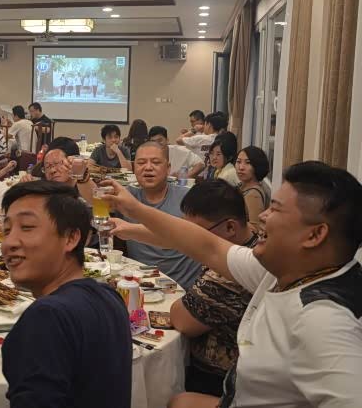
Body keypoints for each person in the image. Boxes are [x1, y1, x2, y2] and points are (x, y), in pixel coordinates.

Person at [104, 161, 362, 408]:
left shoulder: (323, 319)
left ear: (315, 234)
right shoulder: (282, 270)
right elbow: (208, 246)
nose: (263, 216)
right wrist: (134, 209)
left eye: (275, 209)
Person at [115, 181, 258, 396]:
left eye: (194, 231)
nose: (187, 236)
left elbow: (182, 320)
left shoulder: (226, 280)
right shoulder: (252, 239)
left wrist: (134, 211)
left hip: (220, 379)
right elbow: (178, 238)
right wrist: (128, 230)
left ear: (230, 227)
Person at [1, 181, 131, 408]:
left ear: (71, 238)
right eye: (6, 230)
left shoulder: (47, 318)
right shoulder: (110, 296)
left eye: (27, 227)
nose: (8, 243)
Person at [121, 141, 202, 289]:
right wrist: (82, 176)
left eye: (156, 162)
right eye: (141, 163)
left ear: (168, 168)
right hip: (140, 286)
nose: (148, 167)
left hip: (182, 289)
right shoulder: (128, 196)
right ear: (133, 168)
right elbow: (94, 198)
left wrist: (129, 229)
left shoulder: (189, 198)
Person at [235, 146, 271, 232]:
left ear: (257, 166)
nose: (241, 167)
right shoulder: (242, 186)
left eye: (248, 163)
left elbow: (255, 229)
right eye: (238, 162)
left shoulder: (253, 194)